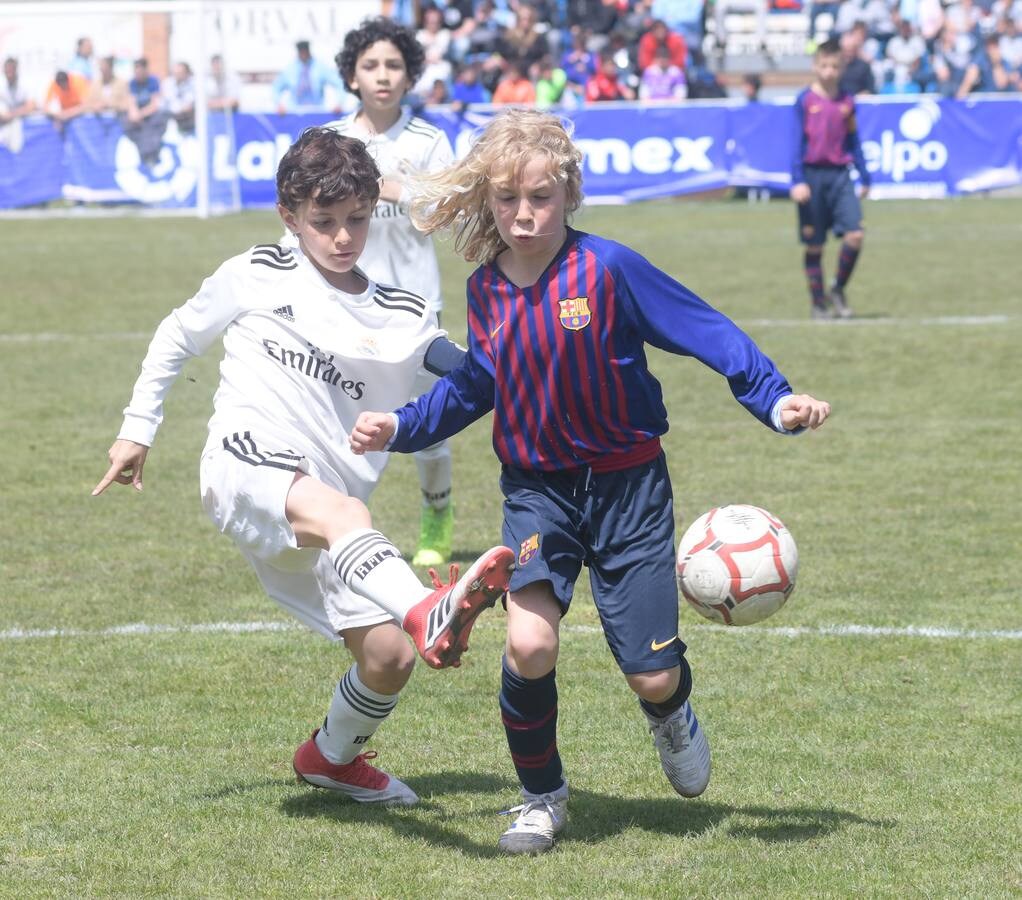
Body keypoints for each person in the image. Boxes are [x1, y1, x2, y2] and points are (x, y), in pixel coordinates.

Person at [349, 108, 832, 853]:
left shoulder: (607, 269)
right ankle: (542, 799)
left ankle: (671, 714)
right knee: (530, 647)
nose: (522, 215)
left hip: (629, 488)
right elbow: (479, 384)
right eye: (507, 200)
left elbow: (706, 331)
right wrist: (403, 425)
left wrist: (774, 397)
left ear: (568, 195)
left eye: (539, 198)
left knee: (650, 676)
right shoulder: (486, 290)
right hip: (536, 492)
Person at [93, 126, 514, 804]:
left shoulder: (400, 313)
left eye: (355, 219)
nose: (342, 237)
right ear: (290, 217)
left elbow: (470, 378)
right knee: (350, 516)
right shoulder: (254, 273)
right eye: (323, 222)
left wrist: (537, 383)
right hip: (246, 460)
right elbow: (176, 336)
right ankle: (428, 607)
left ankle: (331, 757)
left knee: (388, 656)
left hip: (323, 525)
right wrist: (136, 430)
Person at [322, 17, 459, 567]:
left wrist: (391, 188)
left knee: (428, 431)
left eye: (394, 66)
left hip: (415, 307)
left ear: (410, 76)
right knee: (341, 427)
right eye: (371, 65)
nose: (383, 75)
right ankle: (345, 527)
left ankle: (437, 516)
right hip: (343, 305)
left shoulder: (429, 141)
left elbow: (443, 213)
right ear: (352, 76)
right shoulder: (331, 141)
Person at [790, 39, 871, 320]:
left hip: (840, 176)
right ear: (815, 66)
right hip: (812, 178)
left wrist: (865, 174)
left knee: (855, 235)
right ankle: (817, 303)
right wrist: (797, 180)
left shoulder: (847, 102)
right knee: (816, 244)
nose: (828, 71)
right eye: (823, 65)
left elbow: (854, 140)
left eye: (834, 66)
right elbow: (795, 143)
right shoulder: (804, 100)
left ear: (842, 67)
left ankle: (837, 288)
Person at [272, 40, 343, 113]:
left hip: (317, 112)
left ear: (309, 51)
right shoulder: (290, 69)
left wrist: (339, 103)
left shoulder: (320, 67)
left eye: (305, 51)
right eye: (301, 51)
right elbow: (276, 87)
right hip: (294, 113)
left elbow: (339, 84)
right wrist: (279, 104)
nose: (303, 53)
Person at [124, 57, 170, 165]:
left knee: (154, 126)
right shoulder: (132, 83)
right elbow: (132, 101)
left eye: (140, 71)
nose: (138, 74)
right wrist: (134, 114)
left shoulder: (153, 81)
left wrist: (140, 114)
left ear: (146, 70)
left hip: (151, 115)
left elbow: (155, 104)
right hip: (139, 116)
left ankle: (151, 156)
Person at [162, 61, 195, 133]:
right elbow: (168, 102)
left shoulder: (193, 83)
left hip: (188, 118)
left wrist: (182, 108)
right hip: (171, 117)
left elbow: (189, 103)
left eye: (180, 73)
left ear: (187, 73)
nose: (177, 75)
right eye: (175, 73)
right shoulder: (167, 83)